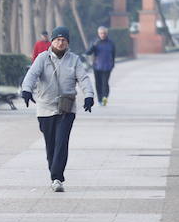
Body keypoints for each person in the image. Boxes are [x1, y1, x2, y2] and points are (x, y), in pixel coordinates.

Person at [21, 25, 94, 193]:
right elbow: (31, 75)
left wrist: (89, 95)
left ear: (68, 42)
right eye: (58, 39)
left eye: (64, 40)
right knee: (51, 144)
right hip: (45, 107)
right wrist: (26, 90)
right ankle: (54, 174)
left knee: (61, 142)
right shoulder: (42, 58)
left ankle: (57, 178)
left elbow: (83, 78)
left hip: (66, 108)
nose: (61, 43)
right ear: (52, 41)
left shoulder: (74, 59)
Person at [86, 26, 116, 105]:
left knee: (105, 83)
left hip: (107, 66)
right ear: (98, 34)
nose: (102, 35)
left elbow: (113, 55)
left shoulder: (110, 43)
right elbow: (88, 52)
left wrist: (112, 64)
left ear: (106, 33)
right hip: (97, 66)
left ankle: (105, 97)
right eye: (101, 33)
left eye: (104, 33)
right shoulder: (95, 42)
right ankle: (99, 99)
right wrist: (93, 46)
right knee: (98, 83)